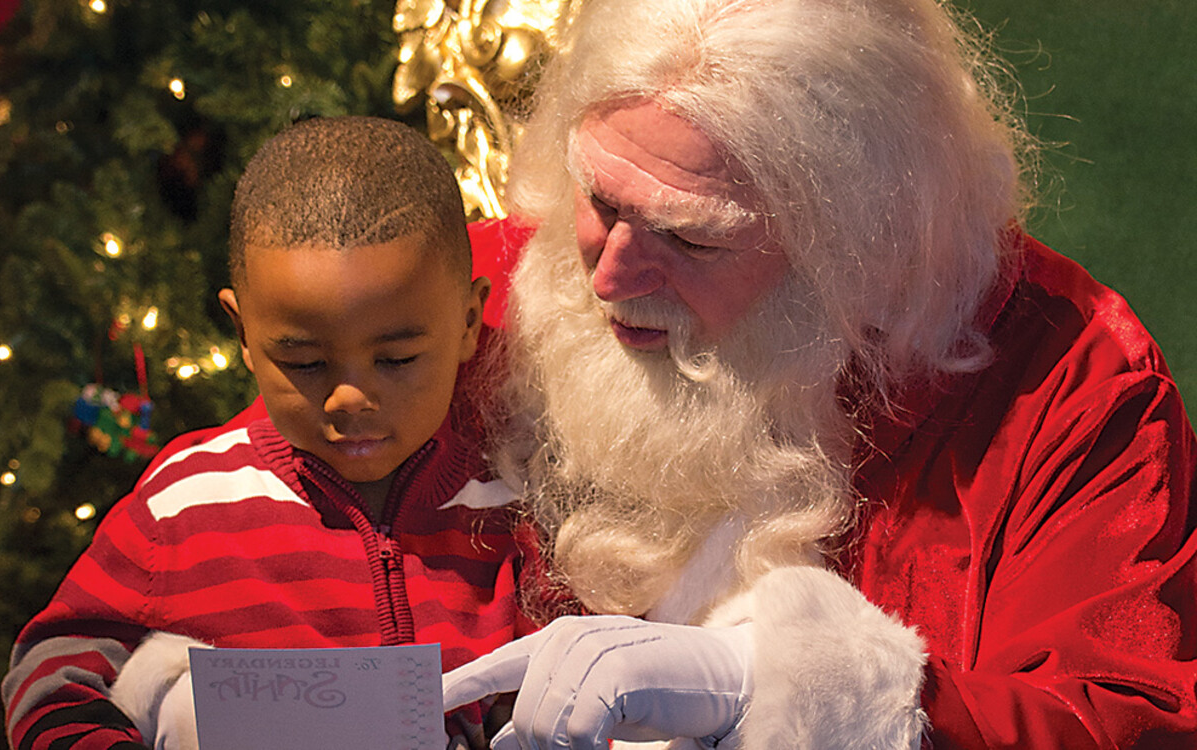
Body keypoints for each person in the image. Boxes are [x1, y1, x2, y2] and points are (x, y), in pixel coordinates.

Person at [441, 0, 1197, 747]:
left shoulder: (1071, 382)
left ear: (851, 240)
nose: (609, 277)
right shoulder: (460, 303)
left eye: (691, 239)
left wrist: (809, 691)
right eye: (602, 201)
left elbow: (1121, 717)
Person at [2, 116, 530, 750]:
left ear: (469, 321)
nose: (351, 399)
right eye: (305, 363)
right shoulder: (185, 504)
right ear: (244, 333)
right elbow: (53, 675)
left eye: (397, 359)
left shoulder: (521, 498)